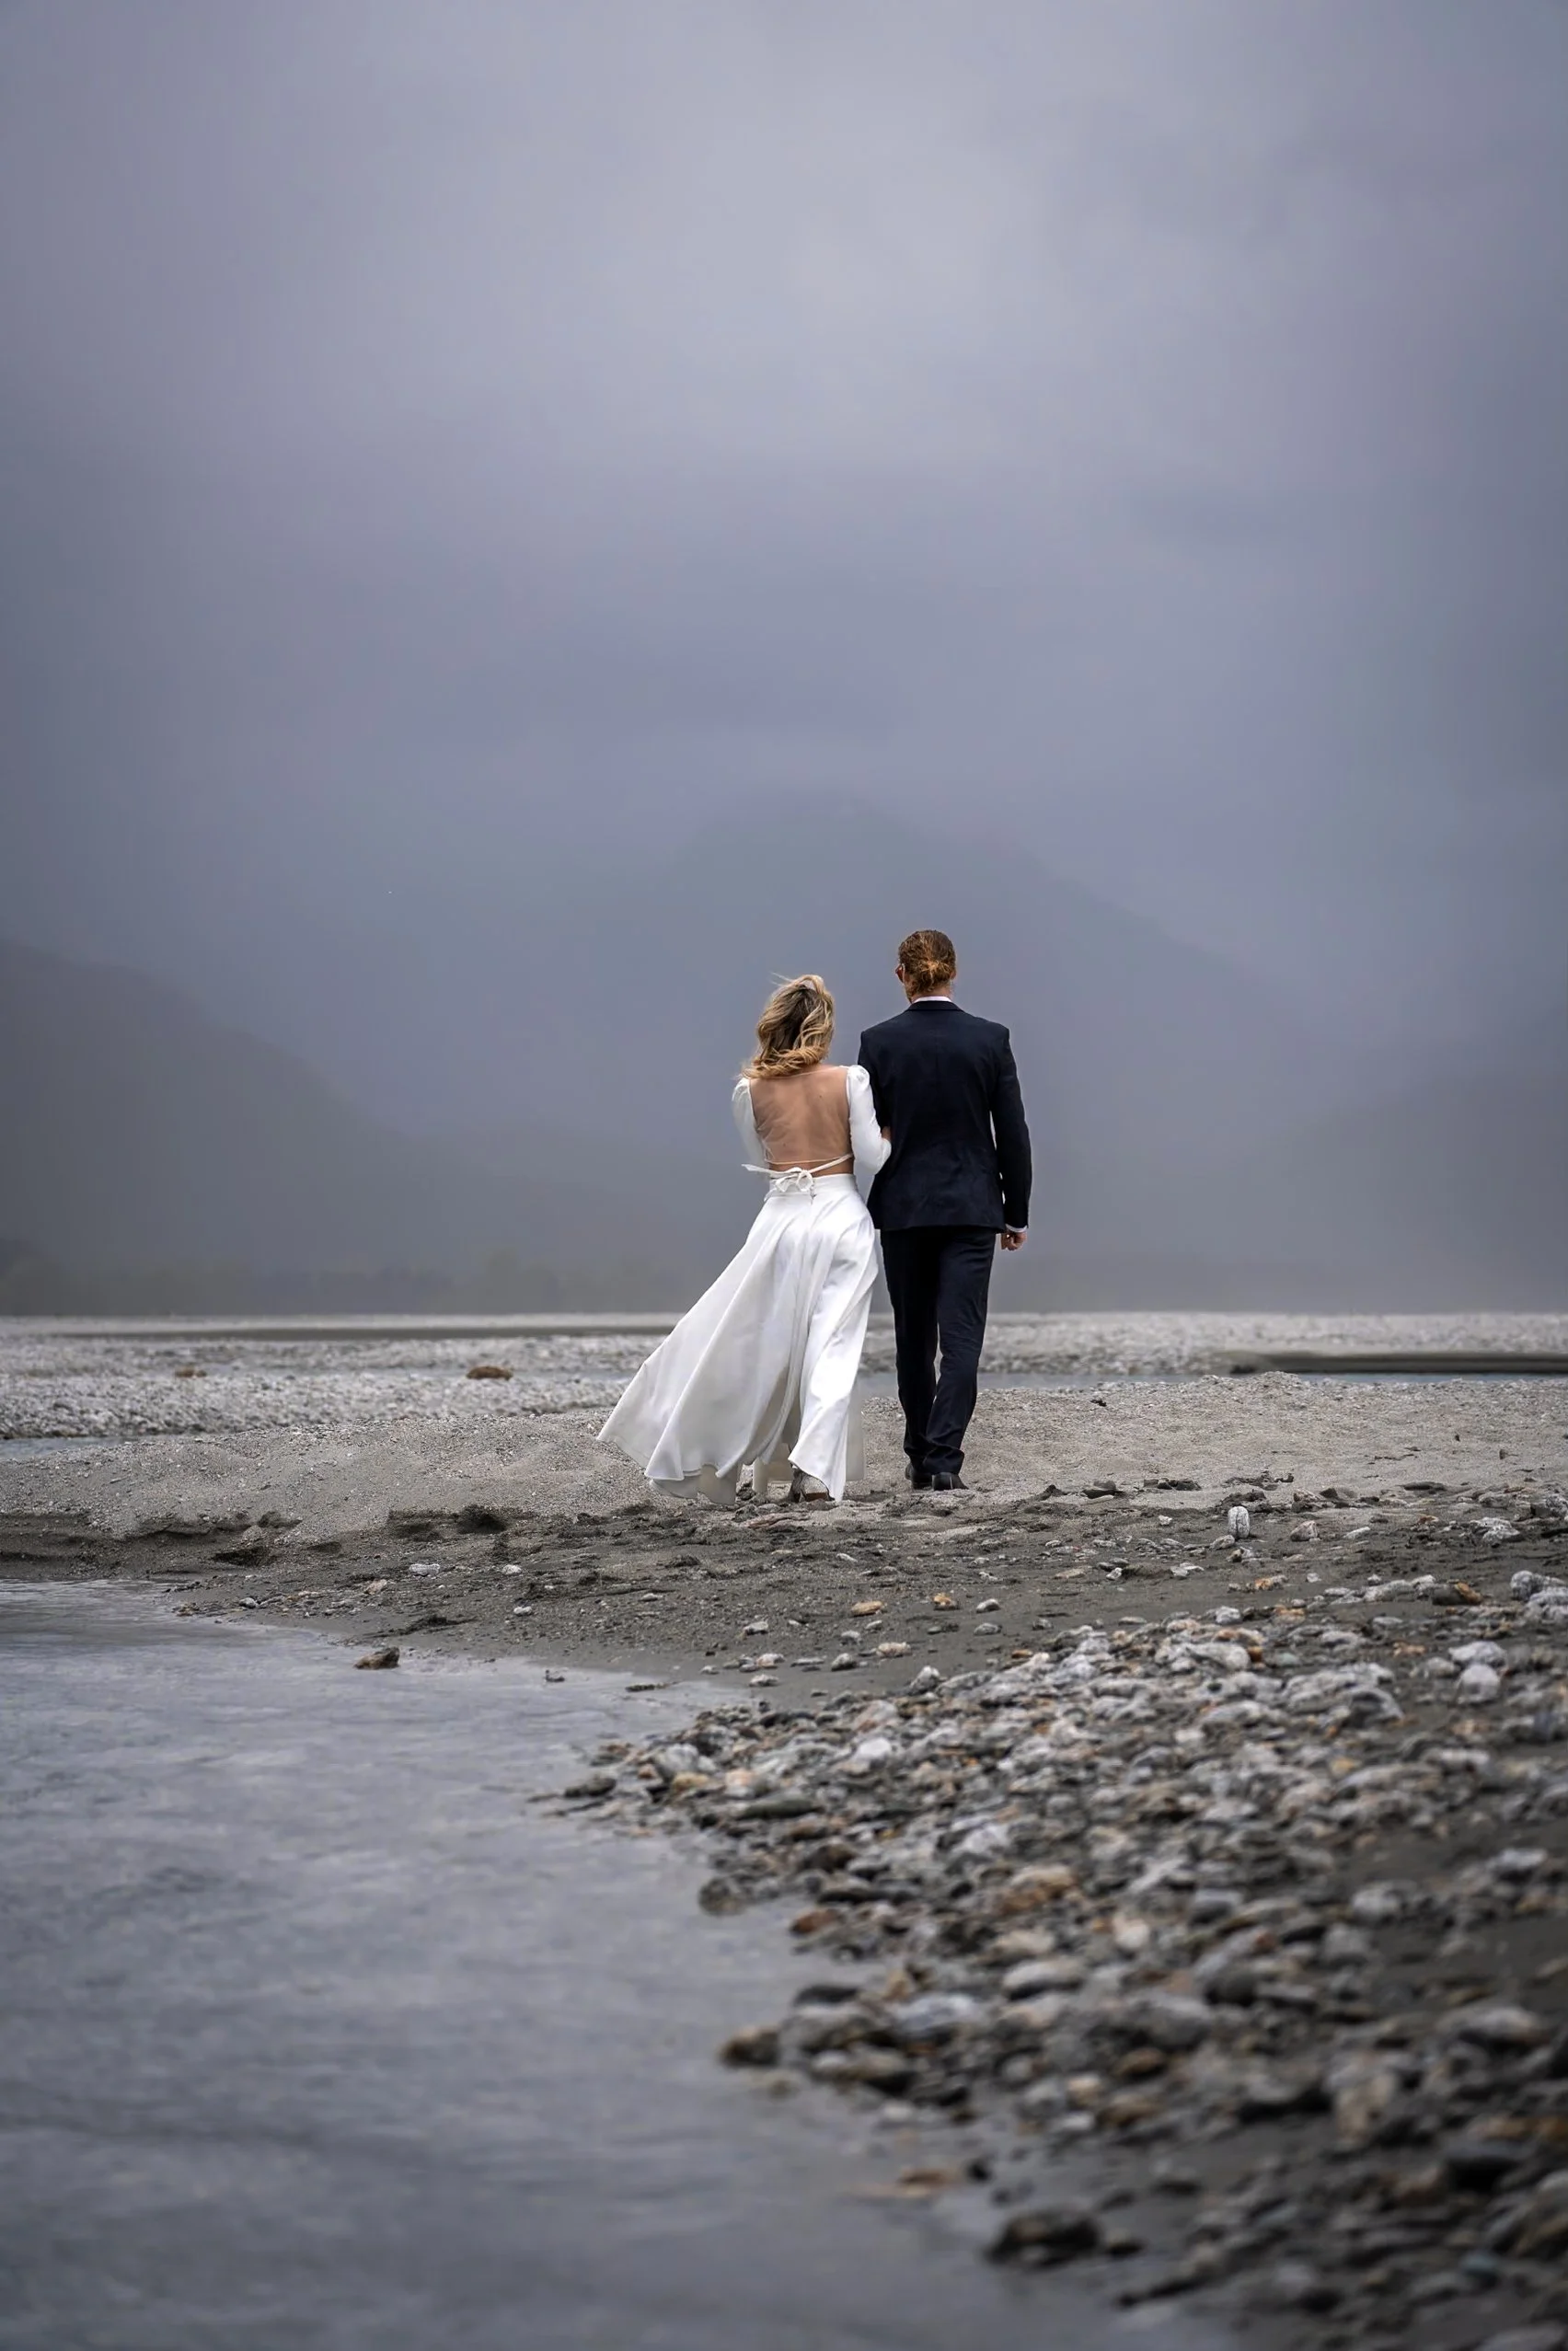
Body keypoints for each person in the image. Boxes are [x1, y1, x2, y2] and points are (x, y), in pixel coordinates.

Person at [598, 974, 890, 1505]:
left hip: (780, 1221)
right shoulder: (852, 1081)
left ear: (773, 1026)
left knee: (761, 1345)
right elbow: (872, 1159)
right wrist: (889, 1134)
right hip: (841, 1219)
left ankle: (729, 1452)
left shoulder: (748, 1091)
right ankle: (815, 1472)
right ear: (823, 1028)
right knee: (832, 1347)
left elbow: (761, 1161)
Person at [858, 928, 1032, 1492]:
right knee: (961, 1338)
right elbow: (1012, 1134)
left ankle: (918, 1453)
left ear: (901, 976)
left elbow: (872, 1130)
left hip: (903, 1208)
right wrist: (1016, 1210)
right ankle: (944, 1460)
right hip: (972, 1208)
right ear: (954, 972)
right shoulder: (990, 1040)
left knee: (914, 1337)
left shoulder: (877, 1043)